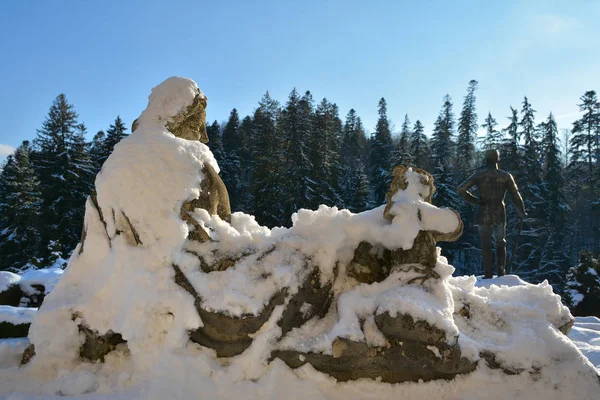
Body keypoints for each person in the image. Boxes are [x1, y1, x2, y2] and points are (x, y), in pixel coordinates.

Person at [457, 150, 526, 278]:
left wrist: (476, 201)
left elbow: (461, 190)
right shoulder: (505, 176)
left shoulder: (479, 175)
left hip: (482, 213)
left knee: (485, 244)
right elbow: (516, 195)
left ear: (485, 159)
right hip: (499, 213)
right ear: (497, 159)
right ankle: (501, 272)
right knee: (501, 242)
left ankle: (488, 273)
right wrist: (521, 211)